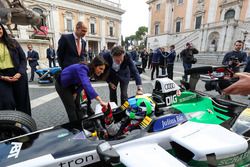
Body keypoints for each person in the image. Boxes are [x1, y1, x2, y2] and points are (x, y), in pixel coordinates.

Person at [55, 56, 108, 122]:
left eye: (103, 69)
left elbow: (82, 84)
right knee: (71, 107)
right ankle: (75, 128)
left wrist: (76, 92)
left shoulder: (90, 70)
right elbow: (86, 84)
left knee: (78, 104)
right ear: (94, 66)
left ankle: (81, 122)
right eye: (100, 68)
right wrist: (100, 100)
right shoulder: (82, 68)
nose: (102, 72)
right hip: (62, 85)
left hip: (72, 85)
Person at [0, 23, 31, 115]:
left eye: (0, 28)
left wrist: (20, 72)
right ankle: (9, 126)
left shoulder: (13, 42)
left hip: (18, 74)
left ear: (3, 30)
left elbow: (23, 59)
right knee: (6, 102)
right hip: (2, 77)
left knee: (22, 104)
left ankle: (24, 126)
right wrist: (2, 77)